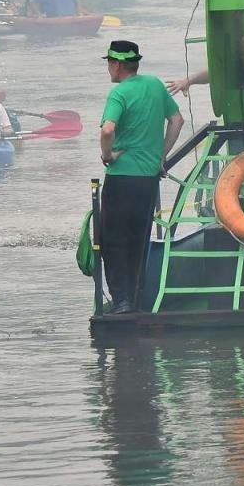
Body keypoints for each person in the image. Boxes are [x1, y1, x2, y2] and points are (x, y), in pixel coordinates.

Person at [97, 42, 182, 313]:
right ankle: (135, 298)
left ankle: (121, 300)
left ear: (117, 65)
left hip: (121, 178)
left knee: (113, 240)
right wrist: (161, 156)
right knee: (138, 238)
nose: (108, 68)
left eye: (109, 62)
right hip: (148, 179)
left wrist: (107, 155)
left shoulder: (119, 93)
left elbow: (108, 130)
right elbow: (177, 120)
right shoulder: (155, 84)